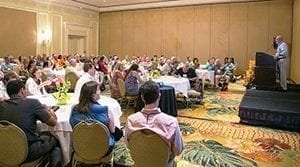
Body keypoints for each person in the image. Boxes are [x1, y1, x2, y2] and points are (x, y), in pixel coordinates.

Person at [0, 80, 62, 166]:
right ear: (22, 90)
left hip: (4, 150)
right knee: (55, 140)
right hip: (27, 151)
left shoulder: (1, 106)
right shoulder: (32, 103)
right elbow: (53, 123)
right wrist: (49, 110)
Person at [124, 81, 184, 163]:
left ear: (142, 97)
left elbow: (128, 145)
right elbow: (178, 150)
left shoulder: (131, 120)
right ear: (159, 96)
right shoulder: (171, 122)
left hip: (140, 161)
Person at [70, 81, 122, 155]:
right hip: (103, 148)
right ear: (92, 95)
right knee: (118, 132)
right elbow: (113, 130)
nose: (100, 91)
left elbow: (72, 126)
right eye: (98, 90)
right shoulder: (105, 110)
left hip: (80, 147)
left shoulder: (74, 109)